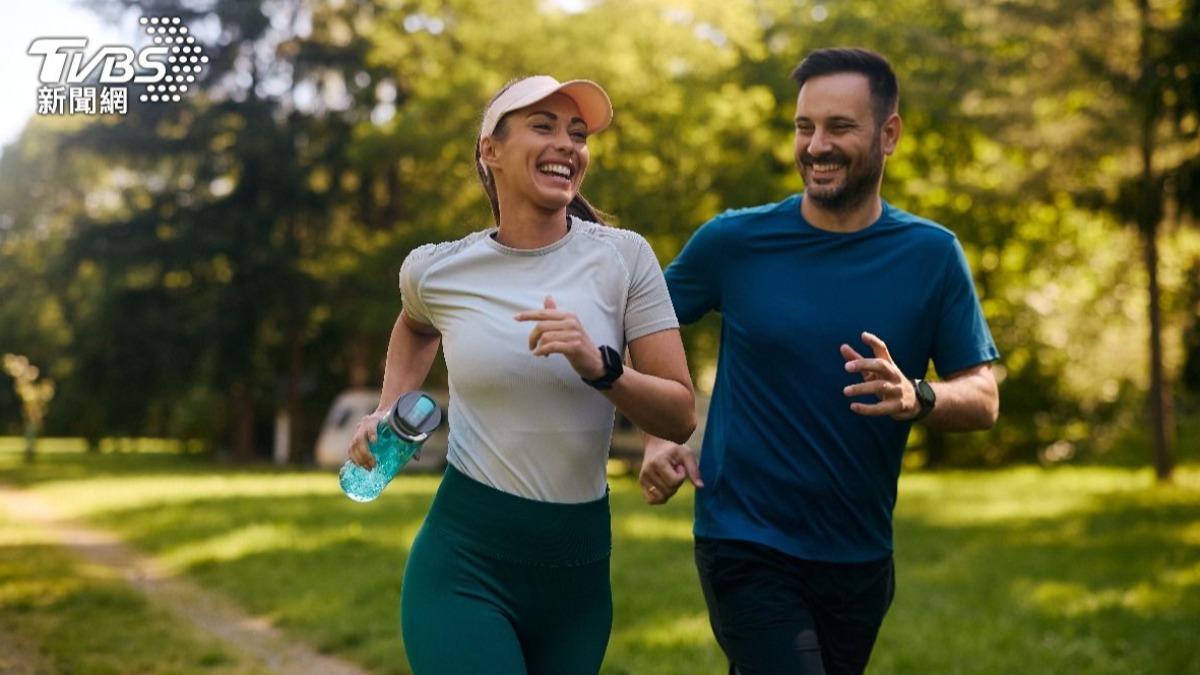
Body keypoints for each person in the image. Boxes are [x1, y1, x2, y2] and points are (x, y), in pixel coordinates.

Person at [639, 48, 1001, 675]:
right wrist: (658, 431)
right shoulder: (734, 242)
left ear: (889, 134)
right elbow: (643, 326)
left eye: (839, 127)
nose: (816, 146)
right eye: (804, 127)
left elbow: (984, 396)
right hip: (744, 538)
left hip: (858, 553)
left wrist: (918, 395)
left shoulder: (932, 255)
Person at [346, 75, 696, 675]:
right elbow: (415, 326)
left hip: (577, 578)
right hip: (464, 565)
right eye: (543, 126)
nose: (568, 145)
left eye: (577, 134)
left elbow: (679, 413)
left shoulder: (625, 258)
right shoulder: (437, 270)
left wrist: (602, 368)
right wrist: (388, 405)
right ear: (491, 150)